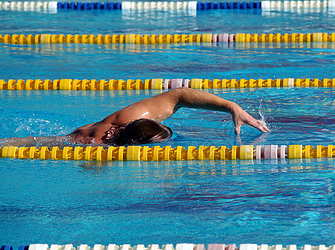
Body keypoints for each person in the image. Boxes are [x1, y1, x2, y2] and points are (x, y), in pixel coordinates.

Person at [1, 88, 270, 147]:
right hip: (65, 144)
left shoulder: (130, 119)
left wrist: (231, 106)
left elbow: (179, 96)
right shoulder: (98, 144)